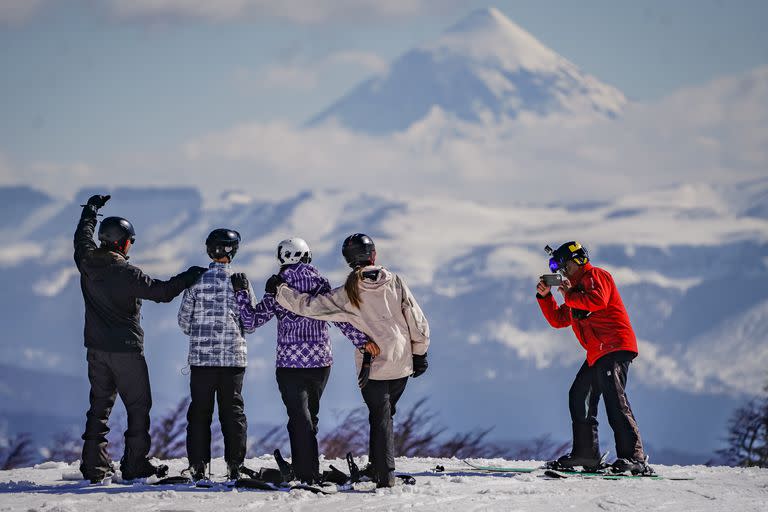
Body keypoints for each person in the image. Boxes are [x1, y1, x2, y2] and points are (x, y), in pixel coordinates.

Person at [270, 233, 430, 488]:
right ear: (374, 255)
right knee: (386, 415)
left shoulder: (349, 291)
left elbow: (310, 306)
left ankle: (385, 473)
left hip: (374, 362)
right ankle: (379, 467)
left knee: (380, 415)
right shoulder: (396, 281)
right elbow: (416, 317)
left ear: (348, 261)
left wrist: (280, 291)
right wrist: (420, 352)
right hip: (402, 359)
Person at [74, 194, 207, 483]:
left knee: (99, 407)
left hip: (95, 350)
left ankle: (93, 466)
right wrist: (189, 276)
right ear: (122, 242)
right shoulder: (126, 273)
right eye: (130, 241)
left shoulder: (86, 261)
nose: (131, 245)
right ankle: (134, 465)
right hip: (126, 352)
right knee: (138, 407)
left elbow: (81, 237)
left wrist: (91, 211)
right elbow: (161, 292)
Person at [230, 237, 373, 485]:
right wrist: (361, 341)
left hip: (289, 364)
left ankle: (306, 472)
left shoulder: (278, 286)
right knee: (310, 417)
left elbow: (251, 321)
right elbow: (338, 317)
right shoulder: (321, 283)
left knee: (298, 418)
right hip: (320, 362)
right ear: (307, 256)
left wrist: (242, 292)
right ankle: (306, 468)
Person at [536, 241, 652, 475]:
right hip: (597, 353)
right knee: (579, 395)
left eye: (563, 267)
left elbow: (597, 300)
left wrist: (568, 294)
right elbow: (559, 320)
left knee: (614, 398)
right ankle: (586, 454)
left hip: (615, 347)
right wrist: (546, 297)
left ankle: (634, 458)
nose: (561, 272)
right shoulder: (575, 290)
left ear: (575, 262)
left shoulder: (596, 276)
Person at [177, 228, 254, 482]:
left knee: (200, 413)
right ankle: (235, 466)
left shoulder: (197, 280)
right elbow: (251, 323)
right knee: (232, 412)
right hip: (233, 360)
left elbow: (184, 321)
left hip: (202, 360)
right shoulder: (240, 281)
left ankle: (198, 467)